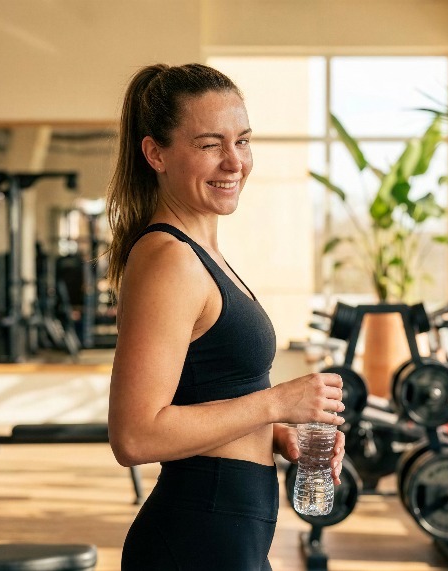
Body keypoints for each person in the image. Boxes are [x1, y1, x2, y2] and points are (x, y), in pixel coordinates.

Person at [106, 63, 347, 571]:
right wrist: (277, 402)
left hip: (229, 531)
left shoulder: (201, 251)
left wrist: (279, 435)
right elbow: (135, 435)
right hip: (197, 535)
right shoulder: (169, 258)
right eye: (210, 144)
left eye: (243, 141)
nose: (234, 161)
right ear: (156, 154)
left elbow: (209, 393)